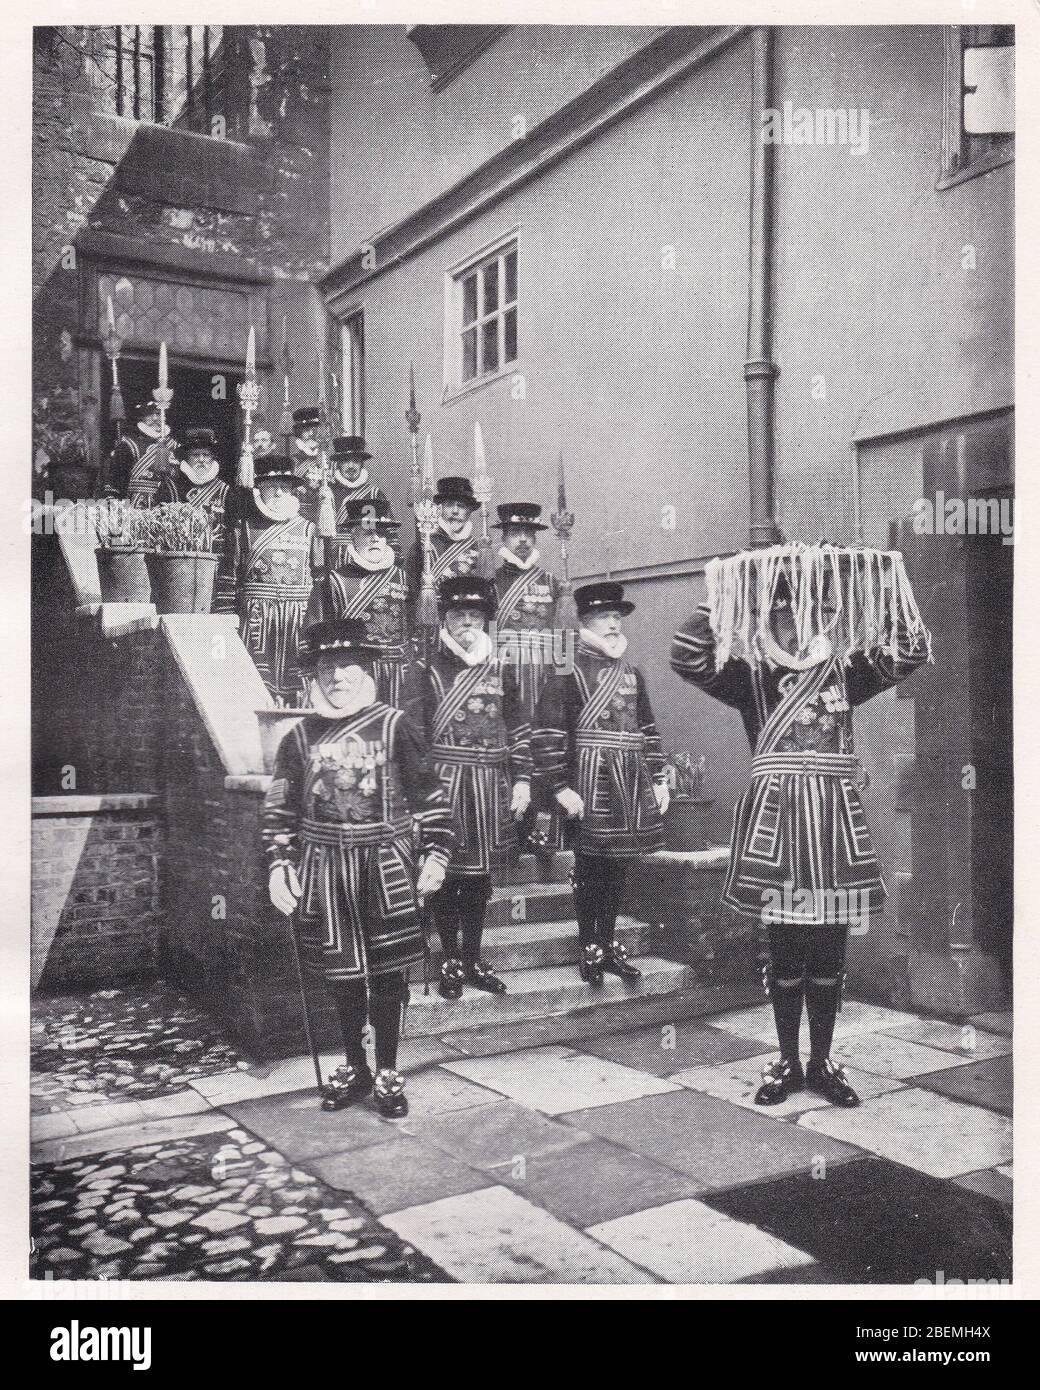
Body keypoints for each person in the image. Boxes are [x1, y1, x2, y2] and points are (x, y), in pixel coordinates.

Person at [670, 542, 931, 1108]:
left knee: (829, 954)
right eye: (783, 615)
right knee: (786, 952)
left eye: (807, 614)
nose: (795, 626)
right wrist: (727, 581)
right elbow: (686, 656)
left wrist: (884, 579)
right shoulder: (752, 678)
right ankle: (786, 1061)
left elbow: (912, 650)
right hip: (780, 826)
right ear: (770, 621)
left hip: (835, 827)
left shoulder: (847, 671)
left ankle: (823, 1061)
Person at [262, 617, 455, 1117]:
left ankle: (389, 1069)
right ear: (314, 675)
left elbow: (429, 794)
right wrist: (280, 864)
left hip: (385, 864)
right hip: (323, 866)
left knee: (388, 972)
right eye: (327, 667)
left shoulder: (394, 725)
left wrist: (436, 852)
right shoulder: (299, 737)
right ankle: (355, 1065)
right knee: (342, 973)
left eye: (347, 665)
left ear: (366, 668)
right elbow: (280, 806)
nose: (337, 677)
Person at [533, 582, 668, 984]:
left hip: (629, 777)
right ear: (585, 620)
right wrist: (559, 786)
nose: (612, 624)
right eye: (603, 617)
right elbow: (548, 732)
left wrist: (659, 777)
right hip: (588, 780)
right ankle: (589, 947)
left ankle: (608, 946)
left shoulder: (632, 673)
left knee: (617, 867)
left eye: (616, 617)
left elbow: (648, 727)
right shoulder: (567, 668)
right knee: (591, 866)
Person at [417, 575, 532, 999]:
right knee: (446, 875)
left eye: (475, 615)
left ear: (485, 620)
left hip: (491, 787)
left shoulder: (501, 668)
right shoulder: (426, 669)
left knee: (480, 878)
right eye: (458, 615)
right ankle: (448, 957)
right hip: (445, 785)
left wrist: (521, 779)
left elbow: (519, 726)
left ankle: (472, 957)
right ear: (444, 620)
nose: (467, 622)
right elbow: (414, 737)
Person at [214, 454, 316, 706]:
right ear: (259, 488)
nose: (279, 493)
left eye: (284, 487)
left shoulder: (308, 529)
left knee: (297, 686)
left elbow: (319, 578)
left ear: (293, 490)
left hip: (297, 618)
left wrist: (315, 620)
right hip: (256, 618)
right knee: (254, 685)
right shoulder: (244, 527)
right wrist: (227, 619)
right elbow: (228, 577)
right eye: (271, 487)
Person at [306, 497, 419, 718]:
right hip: (355, 673)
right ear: (354, 537)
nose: (376, 538)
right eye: (368, 533)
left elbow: (417, 628)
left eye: (381, 533)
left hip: (399, 673)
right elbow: (315, 632)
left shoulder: (404, 578)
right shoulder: (334, 581)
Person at [493, 501, 562, 854]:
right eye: (515, 533)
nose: (522, 540)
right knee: (514, 747)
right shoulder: (492, 584)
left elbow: (560, 630)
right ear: (504, 537)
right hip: (508, 679)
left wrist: (561, 682)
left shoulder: (551, 582)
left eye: (528, 534)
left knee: (545, 744)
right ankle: (512, 829)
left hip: (544, 679)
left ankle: (543, 830)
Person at [406, 476, 479, 613]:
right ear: (439, 509)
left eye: (461, 506)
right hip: (432, 623)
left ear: (469, 512)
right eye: (449, 505)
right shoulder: (422, 546)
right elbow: (410, 595)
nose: (455, 511)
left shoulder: (477, 549)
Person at [103, 399, 178, 507]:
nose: (155, 418)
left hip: (171, 506)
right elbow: (115, 484)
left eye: (158, 413)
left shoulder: (174, 446)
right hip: (139, 508)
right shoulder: (128, 445)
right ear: (141, 418)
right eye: (149, 414)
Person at [169, 426, 231, 557]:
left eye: (206, 455)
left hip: (215, 558)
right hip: (181, 557)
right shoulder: (173, 487)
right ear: (187, 458)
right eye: (196, 455)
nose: (201, 459)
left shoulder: (224, 490)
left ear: (213, 458)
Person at [290, 405, 324, 522]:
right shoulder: (292, 461)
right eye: (306, 430)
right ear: (299, 433)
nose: (311, 434)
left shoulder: (327, 460)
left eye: (314, 430)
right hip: (297, 517)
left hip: (322, 516)